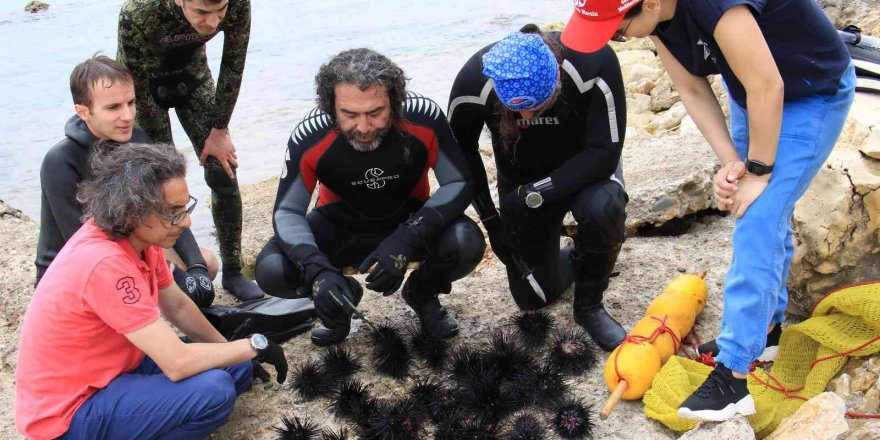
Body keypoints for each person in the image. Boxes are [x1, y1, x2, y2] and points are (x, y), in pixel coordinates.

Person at [562, 0, 855, 421]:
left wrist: (759, 170)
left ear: (653, 3)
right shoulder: (659, 19)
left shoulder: (716, 4)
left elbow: (769, 87)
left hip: (810, 93)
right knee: (754, 209)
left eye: (619, 29)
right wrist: (732, 166)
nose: (614, 38)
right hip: (750, 93)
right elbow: (693, 89)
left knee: (759, 219)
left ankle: (734, 379)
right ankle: (767, 331)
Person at [15, 142, 288, 439]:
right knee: (216, 392)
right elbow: (177, 364)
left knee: (234, 370)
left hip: (115, 372)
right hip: (71, 410)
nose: (186, 221)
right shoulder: (104, 262)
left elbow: (179, 308)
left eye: (185, 208)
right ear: (132, 211)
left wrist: (241, 358)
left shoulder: (140, 240)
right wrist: (253, 346)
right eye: (173, 212)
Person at [255, 48, 484, 346]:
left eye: (376, 112)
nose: (363, 127)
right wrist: (318, 271)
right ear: (330, 106)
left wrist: (409, 237)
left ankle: (423, 294)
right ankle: (340, 299)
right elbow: (287, 212)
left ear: (395, 101)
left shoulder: (424, 119)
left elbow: (458, 182)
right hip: (340, 226)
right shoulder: (310, 136)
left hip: (409, 219)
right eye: (349, 114)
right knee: (271, 269)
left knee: (467, 242)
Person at [448, 25, 628, 351]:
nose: (526, 114)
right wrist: (492, 223)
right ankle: (584, 255)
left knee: (604, 208)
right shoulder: (474, 81)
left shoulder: (593, 63)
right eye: (515, 108)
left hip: (587, 171)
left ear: (557, 77)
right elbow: (462, 155)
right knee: (532, 298)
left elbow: (605, 153)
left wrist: (532, 195)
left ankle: (589, 306)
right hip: (519, 179)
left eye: (538, 104)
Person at [37, 54, 217, 307]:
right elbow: (84, 244)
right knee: (164, 279)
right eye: (113, 108)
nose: (128, 115)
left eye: (131, 103)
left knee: (208, 262)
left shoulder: (139, 140)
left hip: (128, 245)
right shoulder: (60, 161)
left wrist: (196, 267)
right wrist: (171, 273)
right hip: (75, 269)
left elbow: (171, 210)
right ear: (83, 111)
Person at [117, 0, 263, 300]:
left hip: (193, 78)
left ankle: (233, 273)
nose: (212, 22)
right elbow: (137, 89)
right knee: (163, 184)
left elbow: (233, 63)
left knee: (222, 169)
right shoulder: (138, 12)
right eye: (201, 13)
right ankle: (181, 272)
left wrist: (219, 130)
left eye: (219, 11)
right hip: (146, 86)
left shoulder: (236, 2)